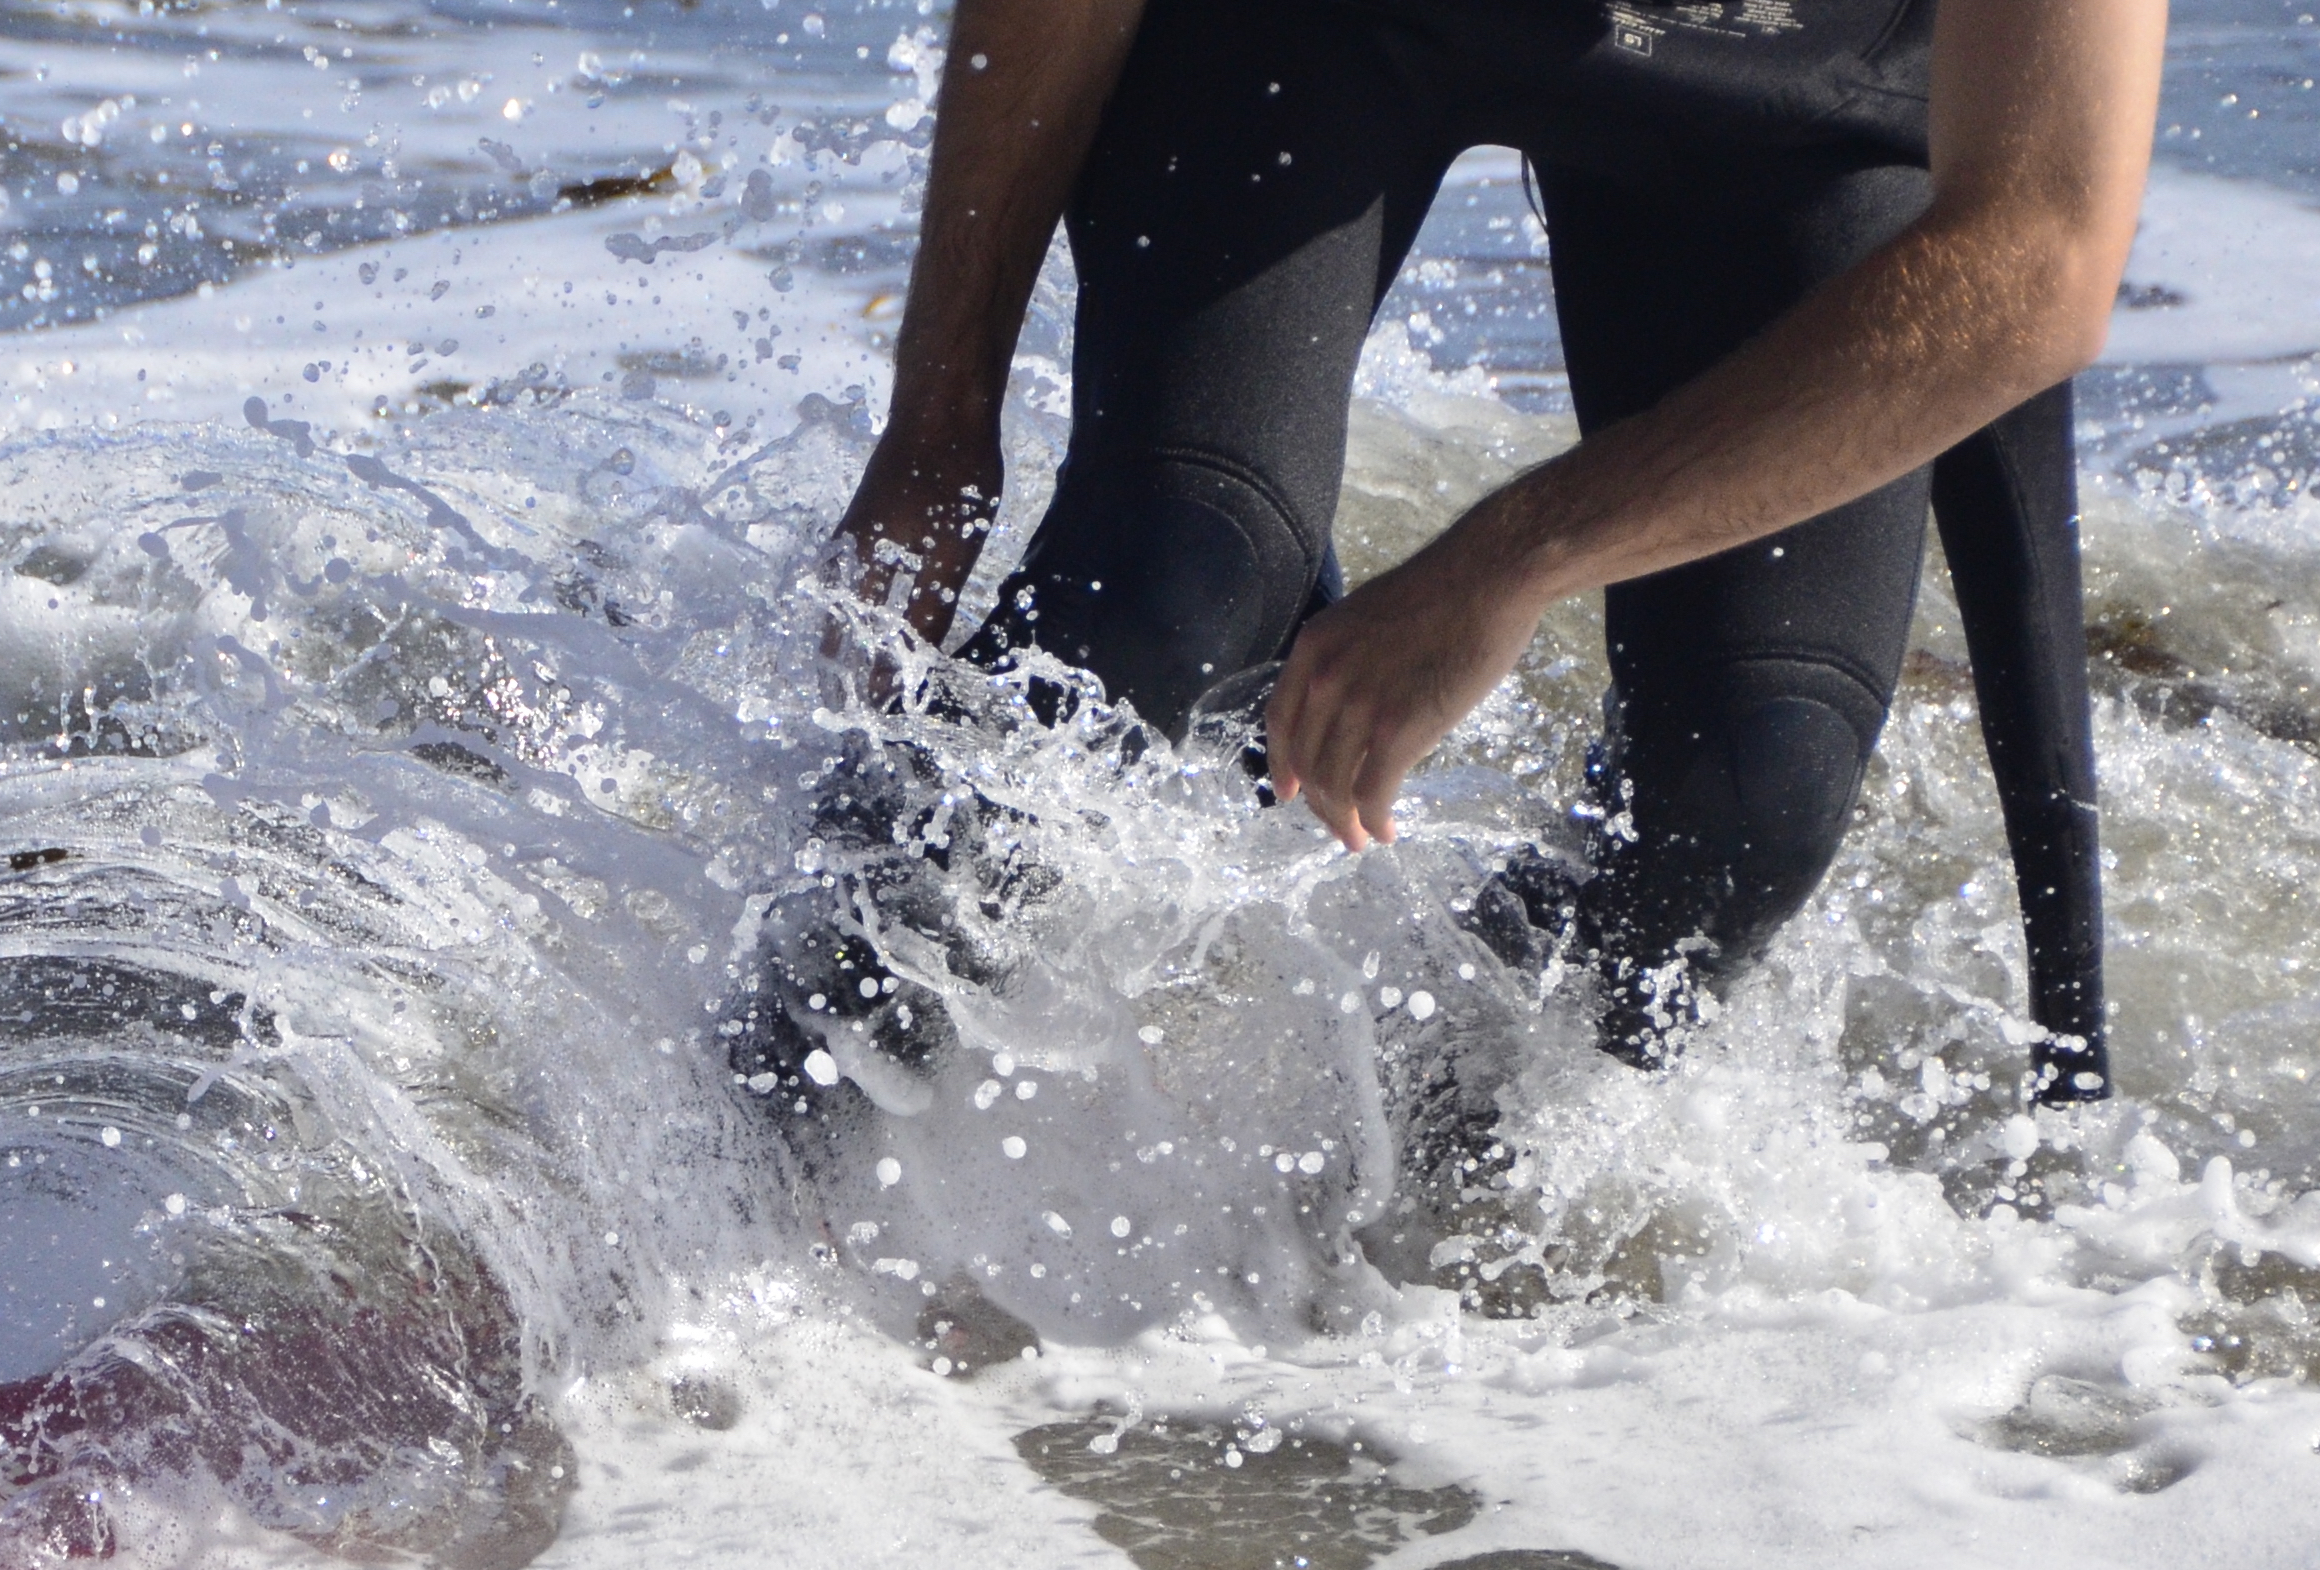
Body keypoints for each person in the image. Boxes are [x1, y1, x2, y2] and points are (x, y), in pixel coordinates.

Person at [832, 0, 2156, 1099]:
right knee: (1174, 583)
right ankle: (776, 1121)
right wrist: (938, 420)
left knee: (1749, 800)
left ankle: (1380, 1212)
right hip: (1328, 30)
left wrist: (1512, 558)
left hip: (1802, 100)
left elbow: (2038, 256)